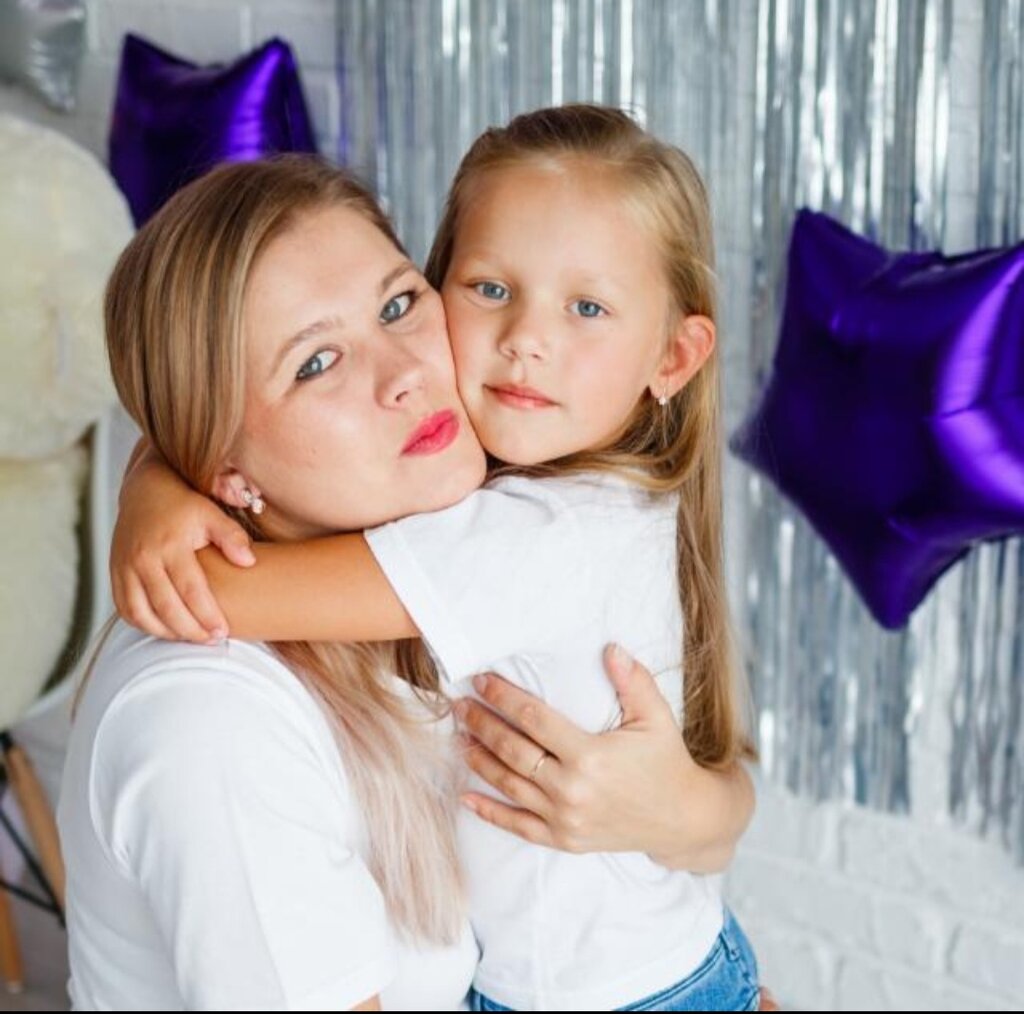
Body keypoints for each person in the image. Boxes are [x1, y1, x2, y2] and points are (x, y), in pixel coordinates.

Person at [64, 153, 754, 1011]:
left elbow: (714, 818)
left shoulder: (492, 521)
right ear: (222, 469)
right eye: (317, 362)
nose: (408, 376)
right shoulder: (210, 725)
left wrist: (692, 811)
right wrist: (159, 491)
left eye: (397, 306)